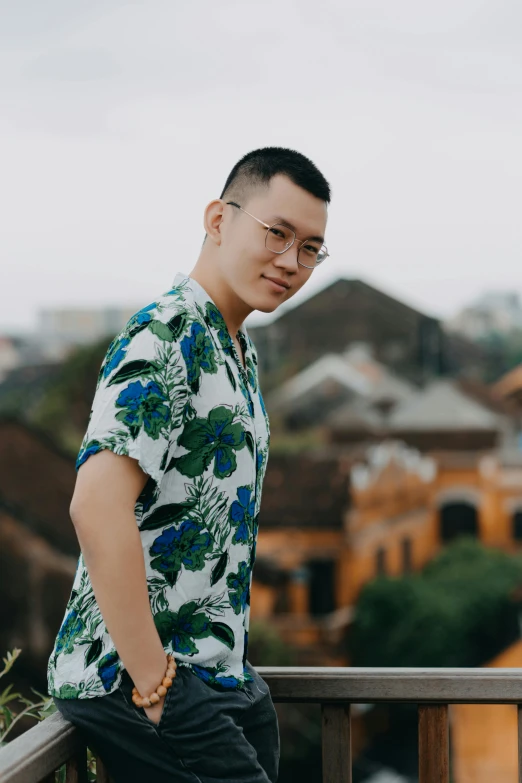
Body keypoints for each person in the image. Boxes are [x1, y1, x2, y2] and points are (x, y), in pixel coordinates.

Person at [48, 146, 331, 783]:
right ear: (218, 220)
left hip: (215, 672)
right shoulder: (165, 333)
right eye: (277, 233)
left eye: (310, 247)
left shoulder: (233, 345)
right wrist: (156, 685)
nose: (291, 261)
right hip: (140, 679)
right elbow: (95, 505)